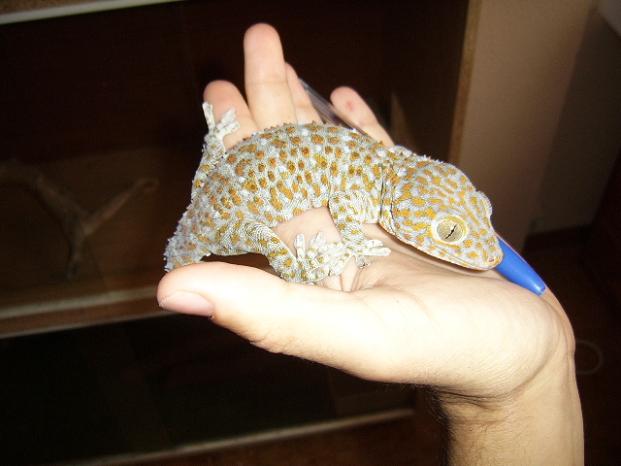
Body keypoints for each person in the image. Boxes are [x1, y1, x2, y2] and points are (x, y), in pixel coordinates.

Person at [157, 23, 583, 465]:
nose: (485, 247)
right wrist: (353, 246)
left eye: (482, 210)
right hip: (223, 219)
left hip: (224, 179)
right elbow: (343, 203)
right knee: (264, 235)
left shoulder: (392, 167)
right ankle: (296, 266)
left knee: (224, 172)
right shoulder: (372, 188)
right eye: (449, 233)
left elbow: (349, 197)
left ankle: (217, 147)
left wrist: (527, 384)